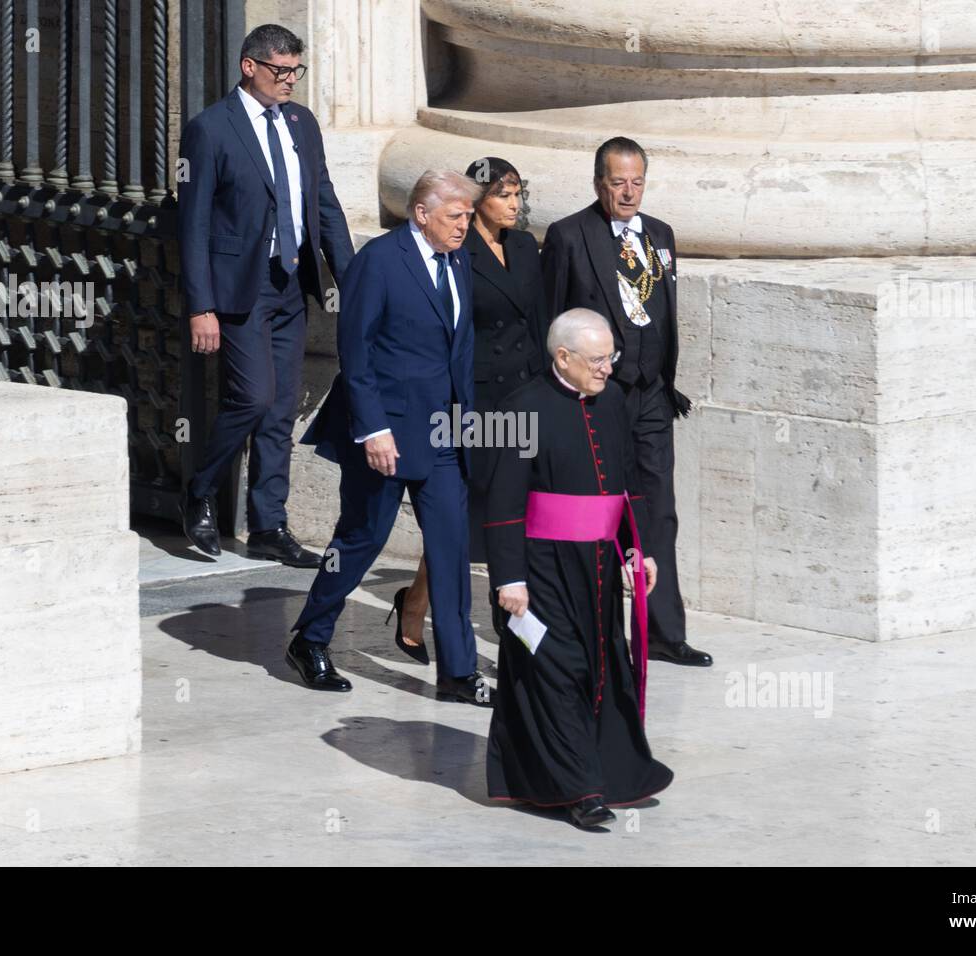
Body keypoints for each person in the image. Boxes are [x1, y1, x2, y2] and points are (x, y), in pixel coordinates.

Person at [287, 170, 494, 706]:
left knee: (451, 550)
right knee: (360, 540)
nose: (464, 226)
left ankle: (458, 673)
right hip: (387, 433)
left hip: (444, 432)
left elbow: (461, 350)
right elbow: (355, 352)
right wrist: (374, 429)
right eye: (455, 217)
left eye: (469, 217)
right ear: (421, 214)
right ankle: (310, 639)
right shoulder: (379, 261)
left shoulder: (459, 263)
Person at [484, 309, 674, 829]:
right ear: (562, 358)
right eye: (596, 359)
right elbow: (501, 502)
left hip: (600, 567)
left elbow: (628, 483)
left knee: (598, 669)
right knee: (556, 669)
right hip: (543, 567)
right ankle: (580, 790)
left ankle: (603, 771)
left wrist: (639, 551)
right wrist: (509, 579)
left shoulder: (612, 400)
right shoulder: (519, 409)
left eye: (611, 357)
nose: (608, 368)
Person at [177, 23, 354, 566]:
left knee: (278, 411)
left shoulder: (302, 123)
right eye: (281, 71)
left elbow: (323, 201)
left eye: (296, 71)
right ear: (248, 66)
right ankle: (199, 489)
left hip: (290, 284)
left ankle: (269, 524)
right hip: (239, 287)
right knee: (251, 398)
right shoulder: (210, 129)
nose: (290, 81)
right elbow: (194, 223)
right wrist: (200, 306)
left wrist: (355, 278)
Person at [540, 137, 712, 667]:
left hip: (653, 396)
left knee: (658, 510)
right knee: (598, 514)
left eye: (637, 181)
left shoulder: (660, 235)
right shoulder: (569, 236)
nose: (629, 192)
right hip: (599, 400)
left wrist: (664, 376)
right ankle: (594, 635)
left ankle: (661, 632)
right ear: (599, 183)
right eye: (618, 182)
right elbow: (548, 323)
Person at [391, 157, 547, 665]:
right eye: (505, 195)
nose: (515, 205)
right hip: (474, 403)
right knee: (463, 516)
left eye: (519, 194)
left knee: (516, 512)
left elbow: (539, 322)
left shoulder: (525, 247)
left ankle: (511, 625)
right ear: (478, 200)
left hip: (522, 398)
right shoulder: (457, 252)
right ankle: (415, 603)